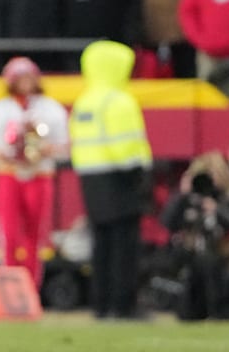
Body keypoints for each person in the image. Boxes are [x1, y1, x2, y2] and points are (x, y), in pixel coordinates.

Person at [69, 41, 153, 320]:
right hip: (121, 179)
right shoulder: (119, 100)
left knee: (101, 245)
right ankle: (123, 305)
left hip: (90, 179)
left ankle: (101, 304)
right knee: (124, 246)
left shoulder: (84, 101)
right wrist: (140, 176)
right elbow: (126, 146)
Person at [0, 57, 68, 288]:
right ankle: (9, 284)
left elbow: (64, 146)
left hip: (39, 173)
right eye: (19, 79)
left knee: (35, 233)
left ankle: (31, 285)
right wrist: (8, 152)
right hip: (10, 173)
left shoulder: (50, 108)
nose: (25, 83)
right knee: (9, 232)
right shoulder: (1, 109)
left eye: (28, 78)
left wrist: (43, 149)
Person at [162, 152, 229, 321]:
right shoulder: (190, 199)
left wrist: (218, 210)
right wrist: (183, 196)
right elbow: (169, 224)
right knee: (188, 313)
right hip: (198, 265)